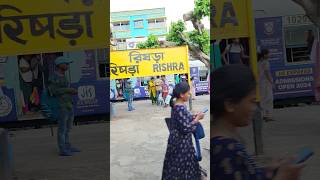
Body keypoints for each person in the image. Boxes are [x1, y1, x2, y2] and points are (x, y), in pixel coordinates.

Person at [211, 65, 305, 180]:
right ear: (230, 105)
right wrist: (283, 177)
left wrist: (264, 172)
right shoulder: (226, 151)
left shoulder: (224, 143)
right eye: (252, 101)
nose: (255, 108)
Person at [162, 82, 205, 180]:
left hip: (178, 142)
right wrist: (197, 119)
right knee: (181, 166)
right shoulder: (179, 107)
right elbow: (186, 128)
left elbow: (182, 120)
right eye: (188, 93)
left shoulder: (177, 105)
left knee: (176, 165)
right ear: (182, 95)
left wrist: (192, 116)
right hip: (181, 144)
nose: (189, 94)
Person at [48, 57, 80, 156]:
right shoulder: (53, 77)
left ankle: (67, 145)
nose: (67, 65)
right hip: (60, 105)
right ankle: (62, 149)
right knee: (62, 129)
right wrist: (68, 90)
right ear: (59, 65)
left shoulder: (63, 75)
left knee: (67, 128)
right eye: (66, 63)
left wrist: (69, 91)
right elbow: (53, 91)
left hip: (68, 104)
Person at [258, 49, 275, 122]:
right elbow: (267, 73)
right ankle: (268, 116)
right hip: (266, 82)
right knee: (269, 98)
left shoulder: (259, 62)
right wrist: (271, 82)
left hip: (261, 82)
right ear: (265, 55)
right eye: (268, 54)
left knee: (263, 99)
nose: (269, 55)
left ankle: (264, 114)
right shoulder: (266, 62)